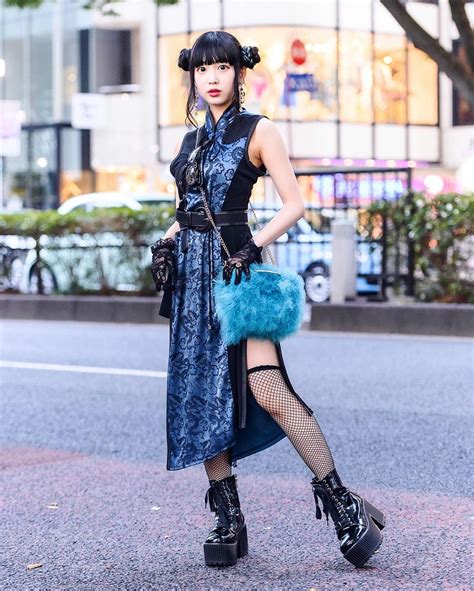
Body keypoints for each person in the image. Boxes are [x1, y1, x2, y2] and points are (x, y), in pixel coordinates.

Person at [150, 30, 385, 569]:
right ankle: (229, 519)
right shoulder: (189, 144)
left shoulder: (260, 130)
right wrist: (167, 240)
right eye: (203, 70)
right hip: (192, 278)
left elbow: (294, 204)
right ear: (193, 76)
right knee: (206, 393)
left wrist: (250, 246)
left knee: (269, 389)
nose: (211, 78)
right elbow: (189, 209)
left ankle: (344, 504)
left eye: (222, 68)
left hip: (237, 273)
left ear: (239, 73)